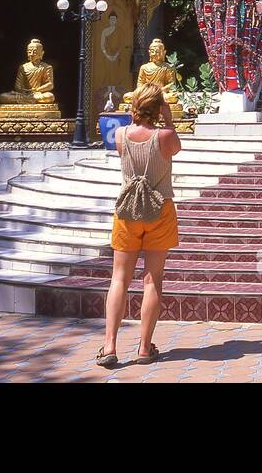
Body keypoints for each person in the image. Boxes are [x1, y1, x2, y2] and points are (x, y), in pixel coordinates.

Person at [97, 83, 181, 369]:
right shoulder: (166, 136)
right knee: (152, 279)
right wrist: (168, 119)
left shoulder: (120, 135)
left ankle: (109, 345)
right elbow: (176, 148)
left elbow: (129, 138)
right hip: (160, 209)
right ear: (159, 108)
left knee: (119, 278)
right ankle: (145, 347)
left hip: (127, 211)